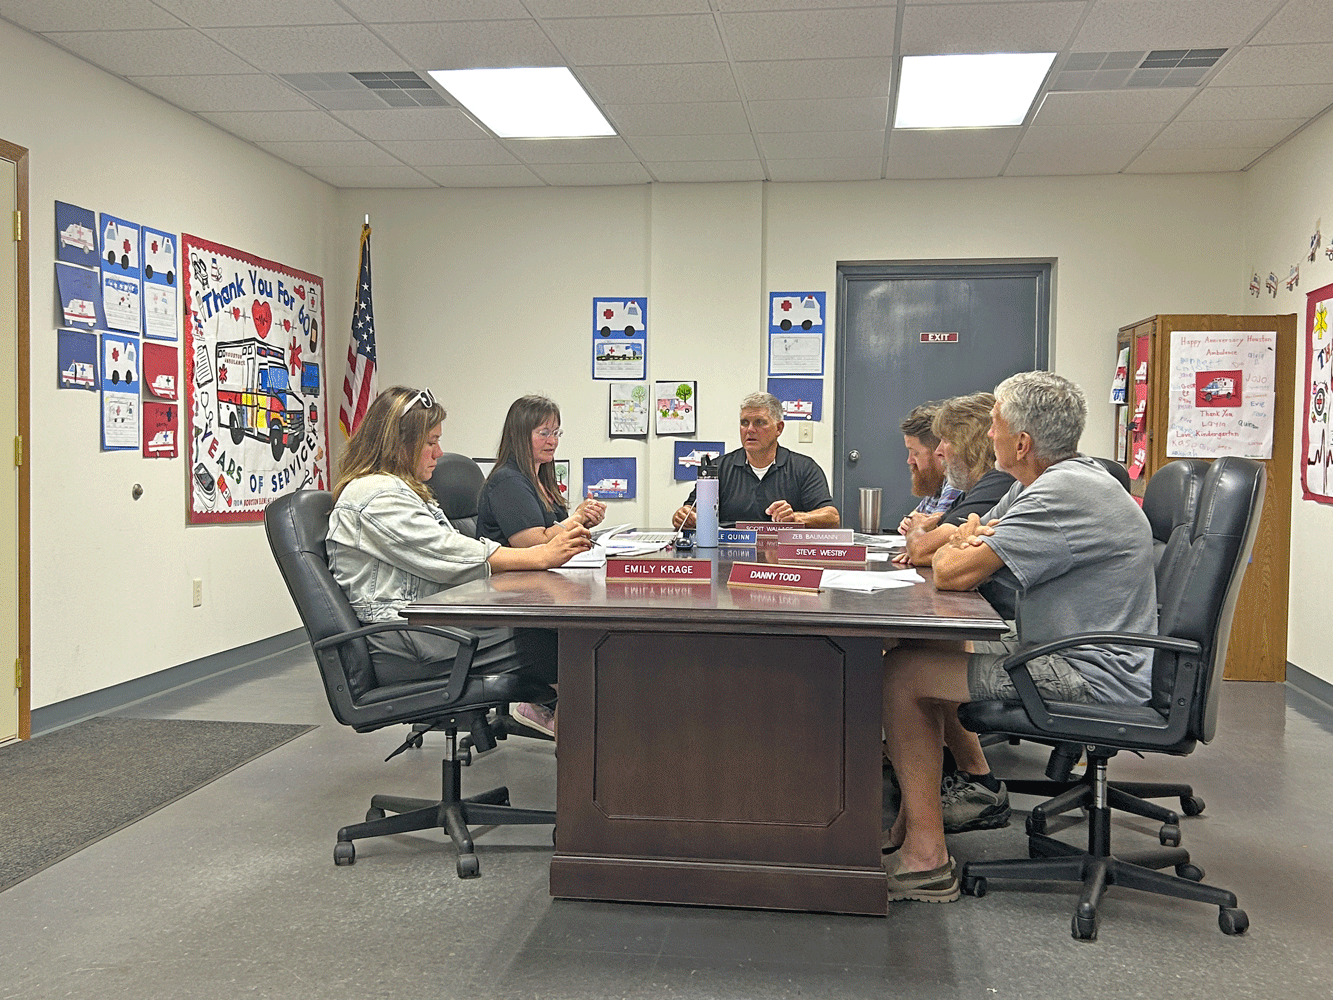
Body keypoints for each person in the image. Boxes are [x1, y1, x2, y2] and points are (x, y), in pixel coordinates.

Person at [881, 371, 1156, 902]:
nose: (988, 437)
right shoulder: (1041, 483)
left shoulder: (1059, 493)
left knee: (902, 673)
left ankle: (926, 859)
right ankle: (914, 827)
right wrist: (962, 541)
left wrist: (960, 544)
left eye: (997, 426)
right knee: (925, 649)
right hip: (1069, 652)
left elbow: (952, 571)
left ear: (1022, 443)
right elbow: (960, 543)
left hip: (1088, 673)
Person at [326, 386, 592, 739]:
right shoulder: (375, 495)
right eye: (430, 442)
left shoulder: (400, 489)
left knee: (559, 637)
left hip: (424, 624)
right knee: (565, 646)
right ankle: (587, 754)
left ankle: (575, 737)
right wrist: (537, 556)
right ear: (398, 444)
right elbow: (444, 553)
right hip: (405, 639)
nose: (439, 452)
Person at [672, 392, 838, 529]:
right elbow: (690, 511)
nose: (750, 430)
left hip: (783, 557)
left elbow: (831, 516)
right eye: (745, 423)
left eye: (759, 422)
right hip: (730, 554)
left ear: (779, 428)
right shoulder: (719, 468)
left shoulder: (804, 468)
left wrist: (795, 517)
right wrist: (683, 516)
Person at [896, 392, 1016, 567]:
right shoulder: (971, 490)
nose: (938, 451)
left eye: (945, 440)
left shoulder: (998, 481)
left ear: (970, 444)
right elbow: (932, 540)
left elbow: (922, 550)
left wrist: (917, 529)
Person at [477, 395, 606, 547]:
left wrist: (585, 520)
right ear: (518, 435)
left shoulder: (542, 478)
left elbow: (555, 532)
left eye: (556, 433)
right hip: (517, 571)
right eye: (544, 433)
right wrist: (578, 517)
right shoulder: (507, 482)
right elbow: (535, 546)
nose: (552, 441)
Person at [896, 402, 961, 533]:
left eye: (915, 453)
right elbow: (913, 519)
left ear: (937, 452)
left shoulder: (955, 481)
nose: (909, 461)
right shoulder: (937, 482)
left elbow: (929, 532)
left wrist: (915, 526)